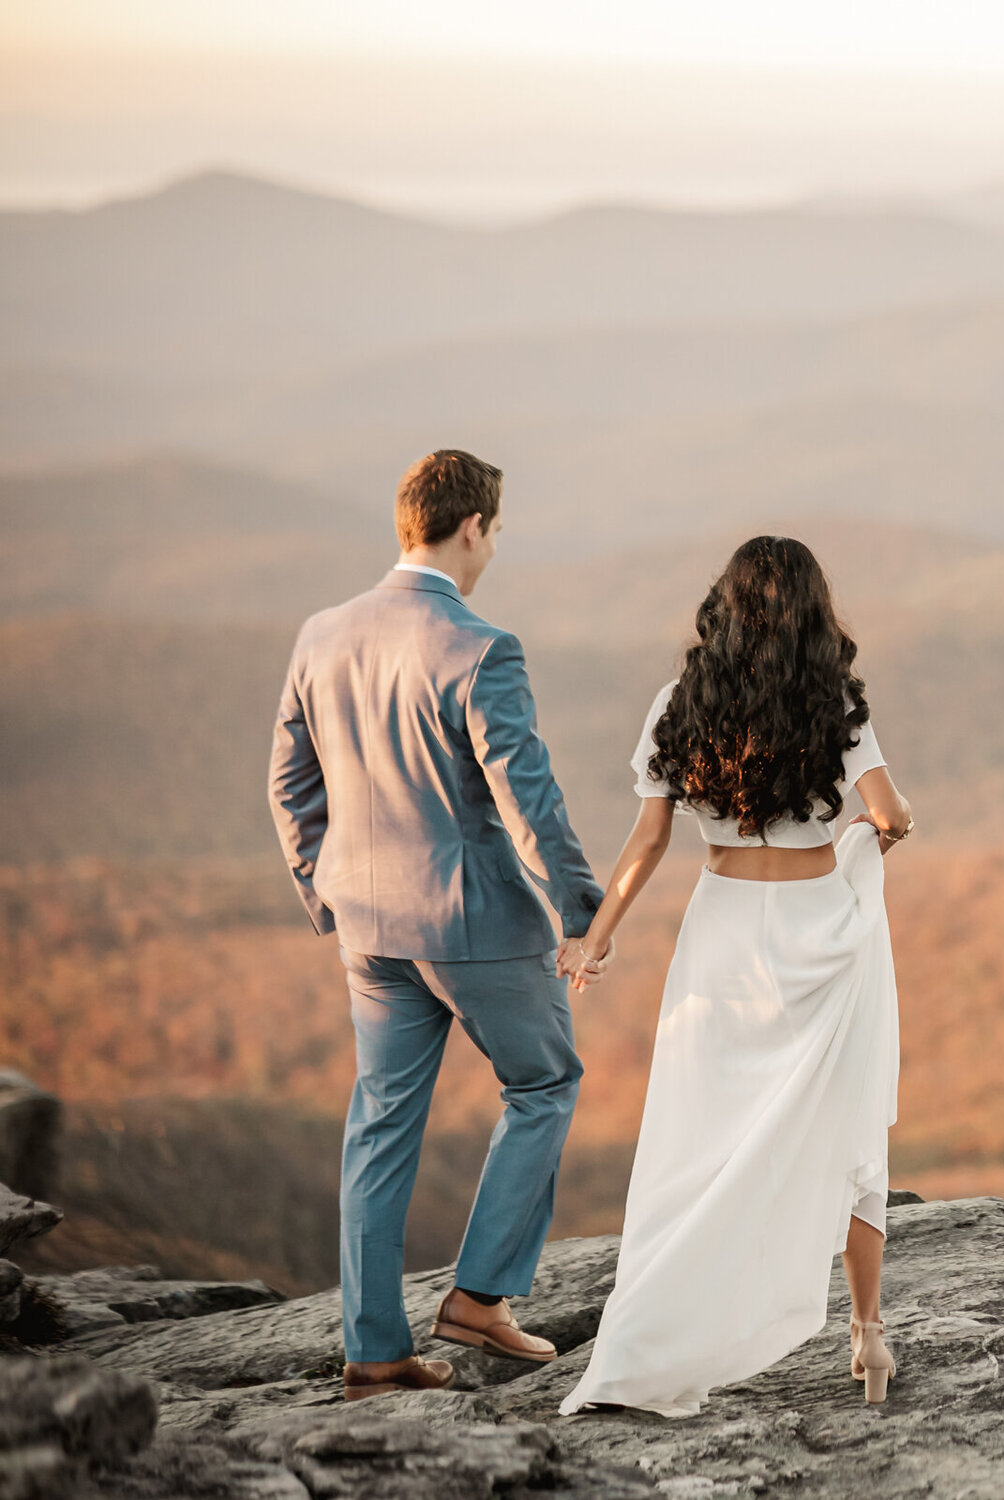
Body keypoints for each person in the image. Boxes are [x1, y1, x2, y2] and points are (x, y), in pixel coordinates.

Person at [268, 449, 607, 1401]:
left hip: (368, 930)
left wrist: (324, 891)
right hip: (477, 925)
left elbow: (290, 785)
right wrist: (583, 915)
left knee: (379, 1127)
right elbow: (527, 799)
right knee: (545, 1082)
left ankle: (375, 1354)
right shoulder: (481, 647)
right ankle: (480, 1299)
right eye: (496, 530)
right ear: (476, 529)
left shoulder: (321, 633)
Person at [558, 535, 914, 1418]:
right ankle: (869, 1339)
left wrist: (595, 938)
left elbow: (648, 841)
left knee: (695, 1135)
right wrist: (883, 834)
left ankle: (649, 1335)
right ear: (811, 613)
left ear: (724, 607)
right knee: (851, 1124)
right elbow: (888, 813)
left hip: (721, 936)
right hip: (821, 935)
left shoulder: (679, 705)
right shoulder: (835, 702)